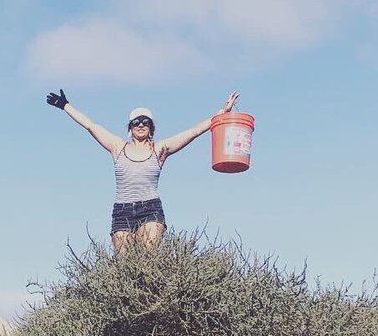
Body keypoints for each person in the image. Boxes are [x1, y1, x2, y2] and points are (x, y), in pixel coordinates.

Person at [46, 88, 240, 253]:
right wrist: (66, 106)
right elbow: (90, 125)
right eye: (136, 122)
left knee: (148, 261)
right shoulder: (117, 147)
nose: (140, 125)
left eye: (145, 122)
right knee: (125, 268)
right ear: (130, 128)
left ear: (151, 128)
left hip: (151, 209)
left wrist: (222, 113)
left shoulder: (160, 149)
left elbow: (193, 132)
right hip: (122, 211)